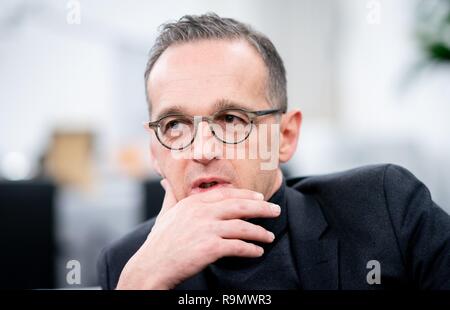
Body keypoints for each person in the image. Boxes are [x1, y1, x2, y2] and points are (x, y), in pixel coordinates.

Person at [97, 13, 450, 290]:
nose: (202, 150)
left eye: (231, 119)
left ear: (285, 135)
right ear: (155, 151)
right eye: (175, 125)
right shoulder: (128, 264)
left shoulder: (384, 209)